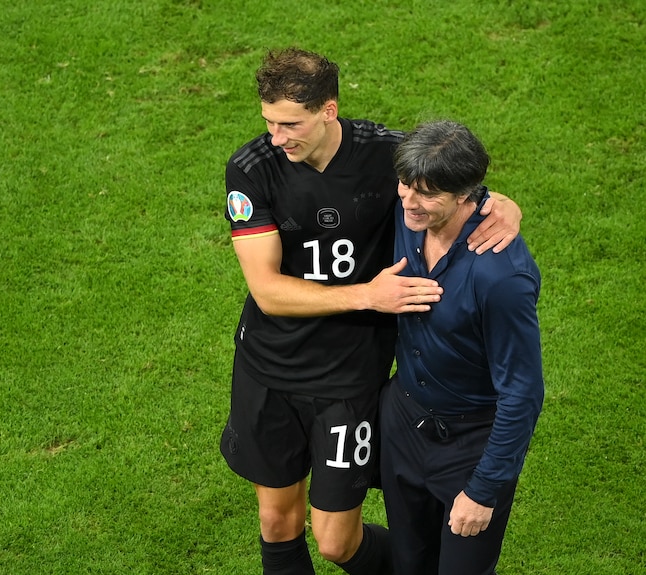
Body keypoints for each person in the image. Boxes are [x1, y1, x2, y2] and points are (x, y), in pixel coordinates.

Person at [220, 48, 522, 575]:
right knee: (276, 522)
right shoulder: (251, 170)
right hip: (267, 369)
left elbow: (451, 183)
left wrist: (501, 203)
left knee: (336, 541)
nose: (276, 137)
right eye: (269, 122)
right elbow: (267, 291)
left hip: (348, 376)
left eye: (290, 124)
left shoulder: (386, 152)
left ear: (329, 111)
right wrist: (367, 295)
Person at [380, 120, 544, 575]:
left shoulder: (501, 277)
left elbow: (523, 393)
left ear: (466, 195)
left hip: (471, 446)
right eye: (406, 186)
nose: (409, 202)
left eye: (427, 194)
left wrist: (484, 489)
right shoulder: (411, 212)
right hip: (403, 423)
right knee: (409, 564)